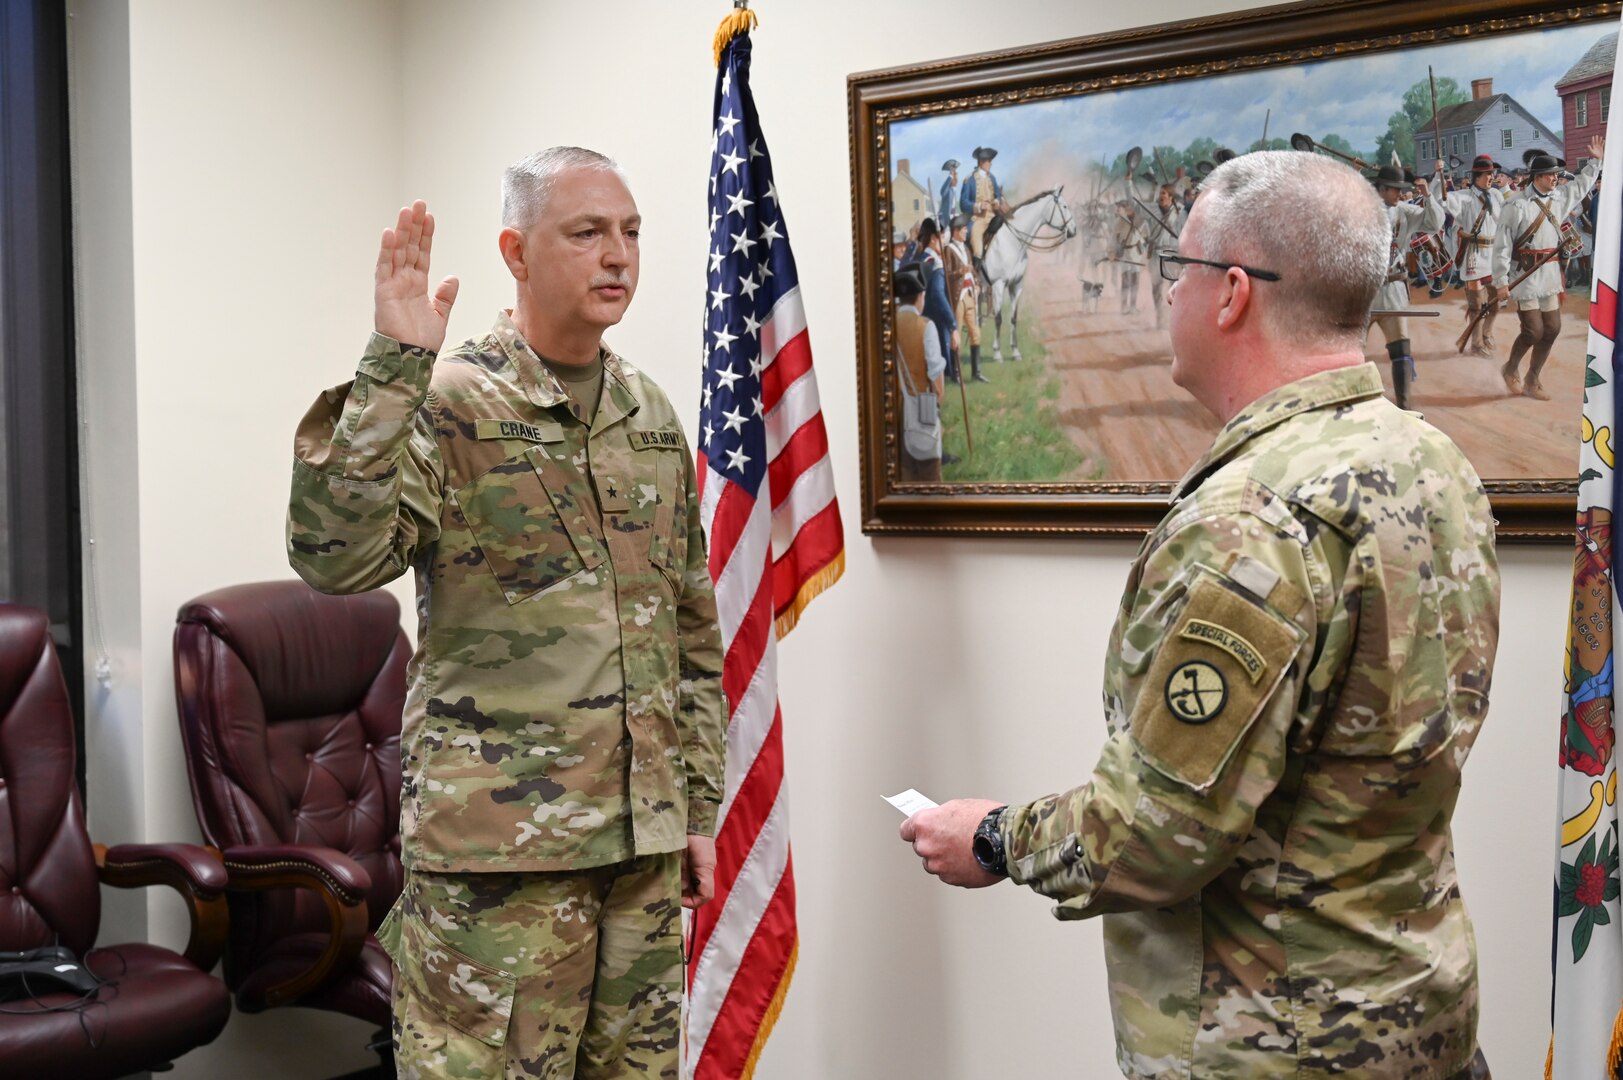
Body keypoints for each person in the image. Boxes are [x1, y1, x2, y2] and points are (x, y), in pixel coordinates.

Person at [900, 149, 1499, 1080]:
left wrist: (990, 836)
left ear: (1228, 295)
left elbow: (1155, 836)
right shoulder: (1429, 459)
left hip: (1277, 1040)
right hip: (1419, 1015)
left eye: (1176, 273)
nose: (1168, 295)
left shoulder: (1247, 520)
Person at [286, 146, 725, 1079]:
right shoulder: (450, 401)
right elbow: (337, 558)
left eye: (632, 233)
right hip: (499, 870)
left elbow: (688, 624)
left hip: (639, 853)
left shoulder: (646, 412)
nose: (618, 256)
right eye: (587, 233)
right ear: (516, 252)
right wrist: (392, 364)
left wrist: (696, 805)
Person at [1491, 139, 1603, 400]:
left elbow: (1582, 184)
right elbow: (1502, 246)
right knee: (1533, 331)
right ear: (1537, 177)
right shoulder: (1515, 205)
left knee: (1552, 328)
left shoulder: (1561, 198)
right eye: (1551, 175)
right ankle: (1510, 368)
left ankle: (1532, 378)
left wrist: (1596, 162)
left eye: (1556, 175)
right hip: (1525, 277)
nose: (1556, 179)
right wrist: (1500, 281)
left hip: (1550, 275)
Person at [1369, 163, 1441, 410]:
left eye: (1403, 189)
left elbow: (1433, 224)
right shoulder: (1358, 211)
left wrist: (1427, 195)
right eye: (1395, 189)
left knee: (1401, 350)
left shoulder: (1406, 212)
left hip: (1393, 290)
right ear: (1380, 189)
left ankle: (1404, 406)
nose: (1400, 194)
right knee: (1352, 352)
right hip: (1363, 292)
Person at [1433, 155, 1504, 356]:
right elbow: (1442, 200)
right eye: (1488, 174)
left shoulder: (1497, 196)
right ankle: (1476, 344)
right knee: (1476, 305)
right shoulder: (1463, 196)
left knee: (1496, 301)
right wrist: (1440, 175)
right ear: (1477, 176)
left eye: (1492, 173)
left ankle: (1487, 332)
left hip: (1493, 254)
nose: (1491, 177)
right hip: (1474, 254)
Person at [893, 265, 945, 480]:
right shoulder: (925, 326)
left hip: (895, 411)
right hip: (923, 408)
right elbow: (936, 374)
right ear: (920, 296)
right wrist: (938, 402)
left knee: (903, 475)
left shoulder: (887, 325)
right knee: (929, 476)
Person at [944, 214, 987, 382]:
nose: (966, 232)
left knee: (975, 333)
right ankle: (955, 373)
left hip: (970, 295)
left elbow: (972, 272)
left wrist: (976, 283)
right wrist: (959, 272)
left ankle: (976, 373)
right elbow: (947, 275)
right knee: (957, 337)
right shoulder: (948, 250)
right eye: (963, 230)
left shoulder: (966, 249)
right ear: (955, 231)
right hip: (958, 298)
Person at [917, 217, 959, 383]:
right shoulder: (934, 262)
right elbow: (938, 296)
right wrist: (952, 324)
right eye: (941, 237)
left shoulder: (920, 258)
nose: (943, 241)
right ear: (934, 239)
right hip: (934, 322)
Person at [959, 145, 1008, 264]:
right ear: (981, 162)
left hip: (993, 216)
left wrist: (996, 202)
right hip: (978, 219)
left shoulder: (992, 178)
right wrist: (979, 206)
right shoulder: (969, 179)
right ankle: (976, 273)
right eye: (989, 161)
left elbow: (997, 194)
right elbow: (963, 203)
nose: (991, 164)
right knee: (978, 249)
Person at [1146, 183, 1184, 329]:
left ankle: (1173, 318)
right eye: (1160, 193)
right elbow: (1132, 204)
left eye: (1164, 193)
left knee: (1173, 288)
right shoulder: (1153, 209)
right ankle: (1159, 317)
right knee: (1156, 287)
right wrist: (1128, 183)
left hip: (1171, 254)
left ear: (1170, 197)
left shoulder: (1179, 212)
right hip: (1156, 254)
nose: (1160, 196)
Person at [1112, 198, 1150, 315]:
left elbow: (1147, 237)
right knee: (1125, 280)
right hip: (1124, 252)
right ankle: (1124, 306)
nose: (1127, 209)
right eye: (1126, 207)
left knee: (1135, 280)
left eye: (1129, 207)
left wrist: (1142, 249)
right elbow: (1114, 237)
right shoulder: (1120, 221)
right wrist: (1114, 250)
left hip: (1136, 253)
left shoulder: (1142, 221)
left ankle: (1133, 306)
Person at [938, 158, 961, 233]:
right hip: (945, 221)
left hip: (953, 220)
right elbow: (942, 192)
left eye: (956, 175)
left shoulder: (954, 191)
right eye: (955, 175)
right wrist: (950, 177)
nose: (956, 177)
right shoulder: (948, 191)